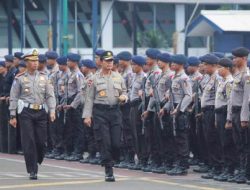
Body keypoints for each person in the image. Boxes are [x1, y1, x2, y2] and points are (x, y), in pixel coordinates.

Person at [9, 49, 56, 180]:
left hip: (41, 112)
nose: (36, 63)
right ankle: (32, 170)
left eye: (37, 61)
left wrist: (52, 110)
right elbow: (14, 97)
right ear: (27, 62)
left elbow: (50, 95)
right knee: (29, 141)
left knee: (41, 141)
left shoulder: (44, 77)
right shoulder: (19, 78)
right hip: (26, 112)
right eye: (33, 61)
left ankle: (38, 158)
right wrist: (13, 115)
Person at [83, 51, 127, 182]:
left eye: (111, 61)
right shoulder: (93, 79)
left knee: (116, 143)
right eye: (107, 61)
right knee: (105, 142)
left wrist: (124, 97)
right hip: (100, 112)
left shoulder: (118, 77)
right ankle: (109, 170)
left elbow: (124, 91)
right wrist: (87, 116)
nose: (109, 63)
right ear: (101, 62)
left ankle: (113, 158)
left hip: (115, 112)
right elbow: (89, 98)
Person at [163, 54, 192, 176]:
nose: (172, 64)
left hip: (180, 111)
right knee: (175, 138)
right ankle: (178, 163)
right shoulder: (174, 77)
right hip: (173, 108)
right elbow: (172, 96)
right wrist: (165, 108)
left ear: (180, 64)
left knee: (181, 139)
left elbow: (188, 96)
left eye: (175, 63)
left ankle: (183, 166)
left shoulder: (184, 78)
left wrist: (179, 109)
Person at [227, 47, 250, 184]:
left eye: (236, 57)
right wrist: (229, 117)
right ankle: (241, 170)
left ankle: (245, 172)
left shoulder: (247, 75)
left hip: (242, 112)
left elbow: (247, 98)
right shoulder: (237, 75)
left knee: (245, 144)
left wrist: (244, 118)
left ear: (244, 59)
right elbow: (232, 98)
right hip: (235, 113)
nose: (234, 59)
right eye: (233, 57)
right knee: (238, 144)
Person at [199, 54, 223, 179]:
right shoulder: (209, 78)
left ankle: (218, 167)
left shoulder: (218, 78)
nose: (203, 67)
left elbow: (219, 97)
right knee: (209, 139)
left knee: (214, 139)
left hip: (213, 111)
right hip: (207, 111)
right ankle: (214, 166)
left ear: (213, 66)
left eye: (206, 65)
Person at [213, 58, 237, 182]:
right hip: (219, 114)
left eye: (220, 67)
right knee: (222, 142)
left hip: (225, 114)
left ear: (227, 68)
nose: (218, 70)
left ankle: (230, 169)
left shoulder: (229, 82)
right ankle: (226, 168)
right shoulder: (222, 82)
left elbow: (230, 102)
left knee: (227, 143)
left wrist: (228, 119)